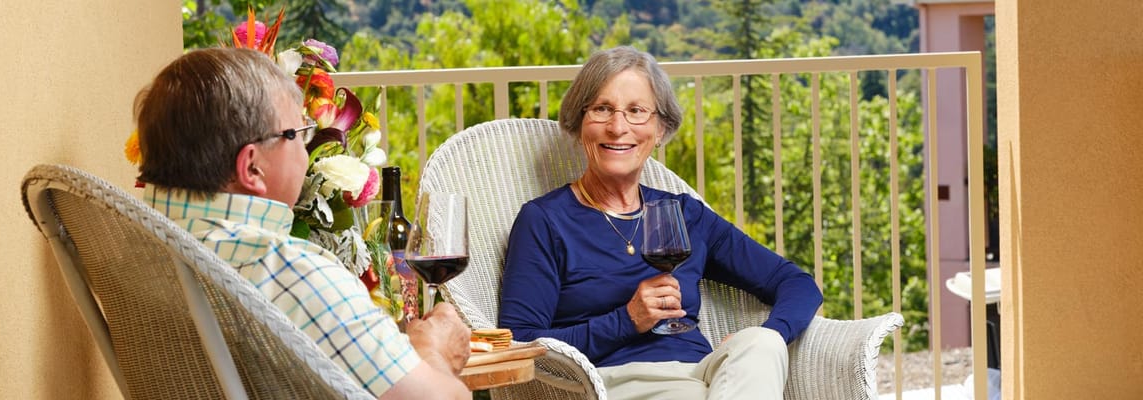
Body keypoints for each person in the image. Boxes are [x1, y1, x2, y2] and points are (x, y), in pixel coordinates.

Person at [133, 47, 471, 399]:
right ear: (252, 167)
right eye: (299, 133)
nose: (306, 152)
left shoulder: (133, 243)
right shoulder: (288, 272)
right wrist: (434, 351)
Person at [497, 46, 823, 399]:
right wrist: (627, 320)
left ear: (660, 129)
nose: (618, 127)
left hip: (705, 377)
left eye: (636, 111)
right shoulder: (545, 221)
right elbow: (521, 343)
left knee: (762, 343)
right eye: (602, 109)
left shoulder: (685, 215)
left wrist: (775, 331)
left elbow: (796, 283)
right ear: (578, 123)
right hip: (616, 382)